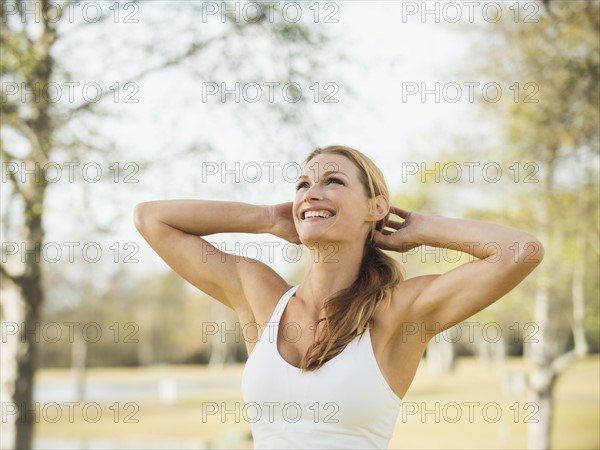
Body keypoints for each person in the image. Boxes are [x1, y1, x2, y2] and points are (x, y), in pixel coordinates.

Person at [134, 145, 544, 449]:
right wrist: (263, 218)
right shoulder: (261, 296)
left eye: (333, 181)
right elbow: (151, 219)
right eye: (303, 185)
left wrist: (420, 228)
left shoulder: (398, 312)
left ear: (375, 207)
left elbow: (521, 251)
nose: (311, 193)